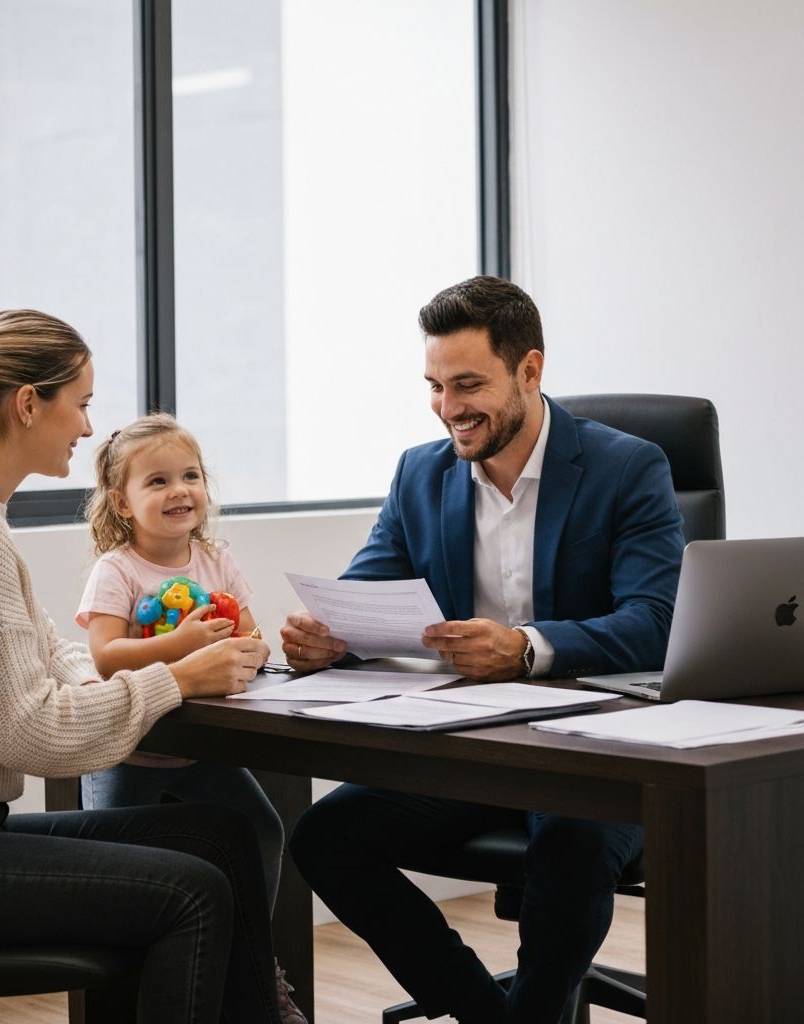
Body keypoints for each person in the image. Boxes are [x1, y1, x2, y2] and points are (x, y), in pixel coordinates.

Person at [0, 309, 282, 1024]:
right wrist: (175, 678)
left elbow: (47, 656)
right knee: (193, 889)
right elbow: (31, 735)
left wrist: (140, 670)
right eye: (81, 404)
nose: (83, 427)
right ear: (27, 404)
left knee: (220, 838)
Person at [280, 276, 685, 1024]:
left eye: (468, 384)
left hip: (596, 751)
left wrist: (526, 648)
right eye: (434, 385)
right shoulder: (420, 472)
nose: (448, 408)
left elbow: (656, 620)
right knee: (327, 836)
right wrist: (324, 636)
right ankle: (483, 1012)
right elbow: (368, 591)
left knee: (570, 839)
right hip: (473, 748)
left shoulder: (629, 467)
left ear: (530, 371)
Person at [75, 412, 307, 1024]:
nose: (180, 491)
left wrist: (251, 650)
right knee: (124, 877)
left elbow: (252, 638)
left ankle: (259, 974)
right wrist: (181, 645)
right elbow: (105, 656)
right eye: (157, 482)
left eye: (190, 476)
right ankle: (136, 990)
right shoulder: (117, 570)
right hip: (132, 750)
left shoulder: (215, 561)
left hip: (204, 751)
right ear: (122, 504)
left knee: (262, 829)